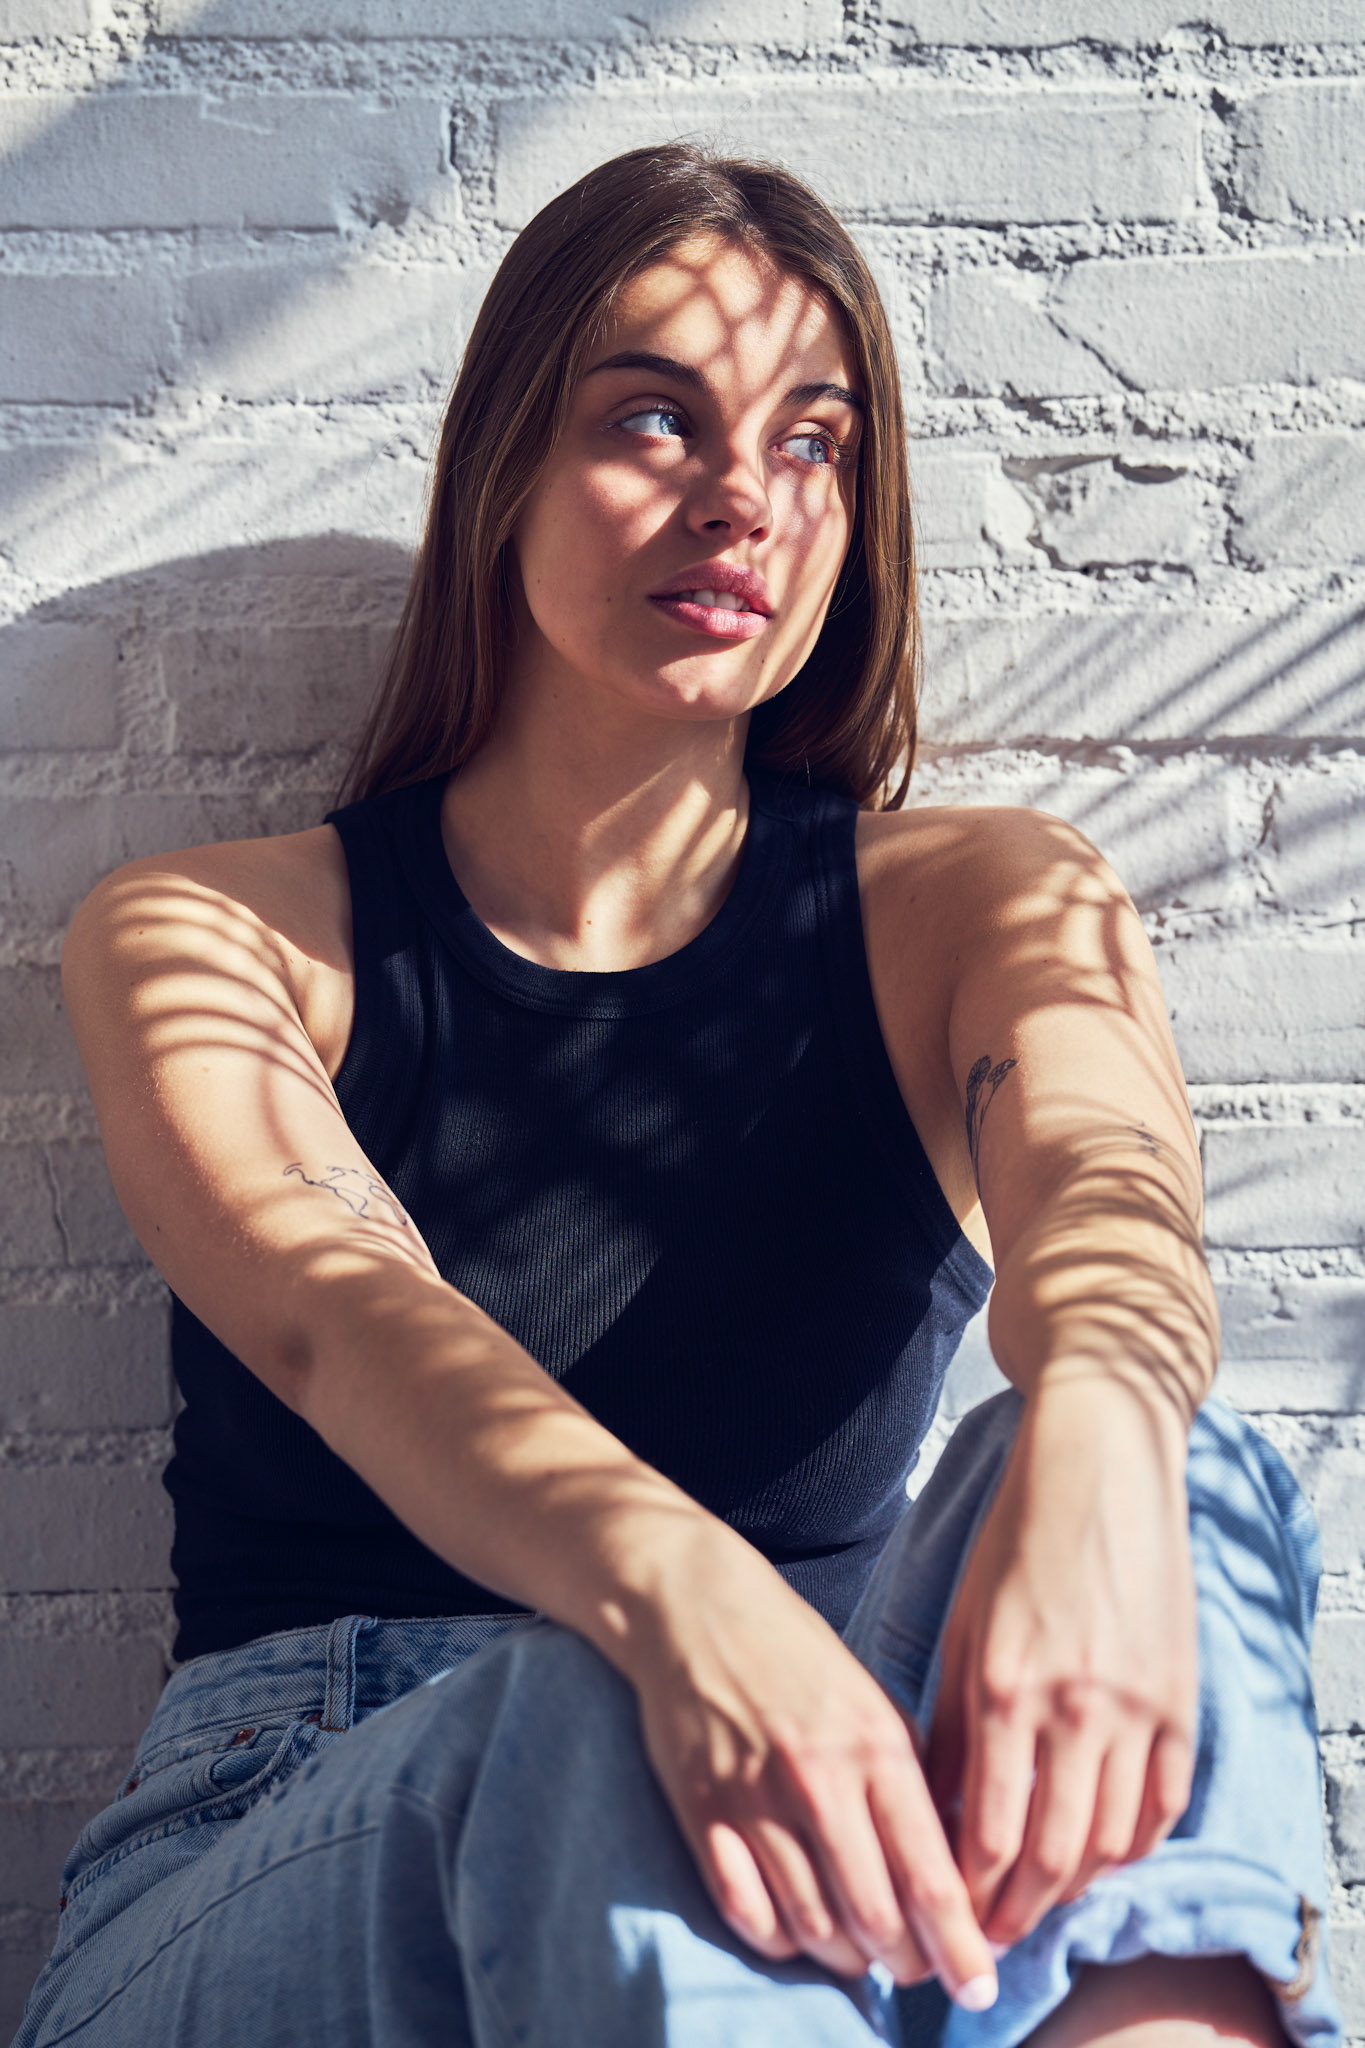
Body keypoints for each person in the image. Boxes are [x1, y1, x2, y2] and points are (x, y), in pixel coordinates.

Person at [14, 145, 1339, 2048]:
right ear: (502, 470)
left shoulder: (980, 902)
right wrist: (673, 1606)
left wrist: (1105, 1447)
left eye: (813, 443)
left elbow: (1106, 1197)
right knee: (588, 1707)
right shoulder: (221, 933)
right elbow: (344, 1317)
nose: (744, 496)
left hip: (824, 1859)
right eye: (654, 418)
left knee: (1188, 1476)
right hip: (289, 1845)